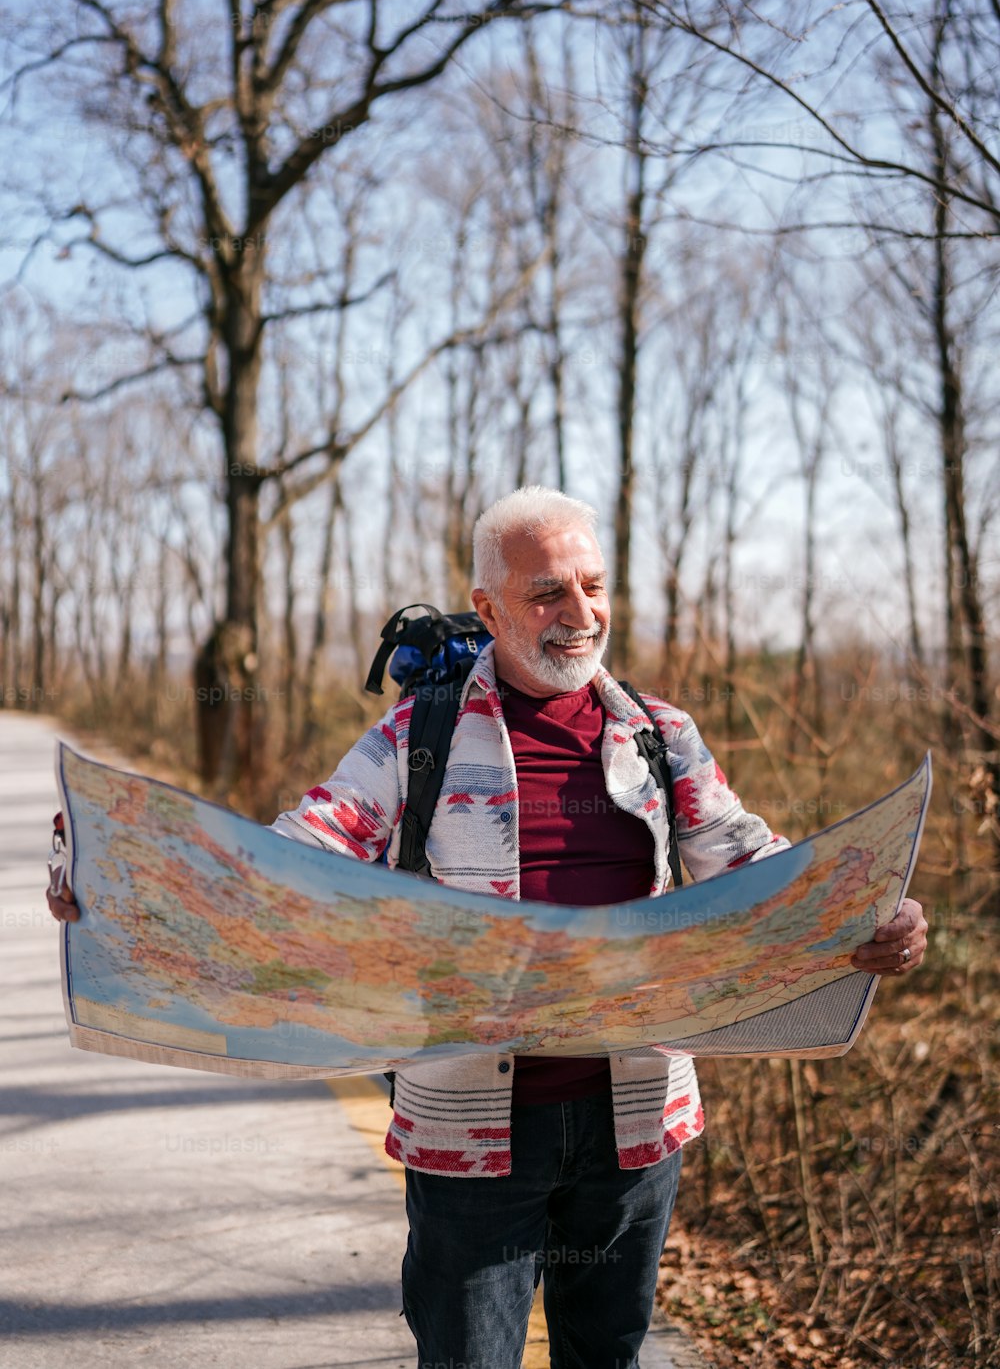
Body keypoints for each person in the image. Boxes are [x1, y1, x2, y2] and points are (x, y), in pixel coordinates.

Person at [47, 485, 928, 1369]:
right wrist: (122, 886)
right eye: (548, 592)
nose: (579, 613)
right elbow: (292, 860)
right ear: (488, 607)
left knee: (607, 1357)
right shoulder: (416, 738)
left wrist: (871, 914)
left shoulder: (660, 734)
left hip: (635, 1122)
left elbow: (754, 866)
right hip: (470, 1133)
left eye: (593, 585)